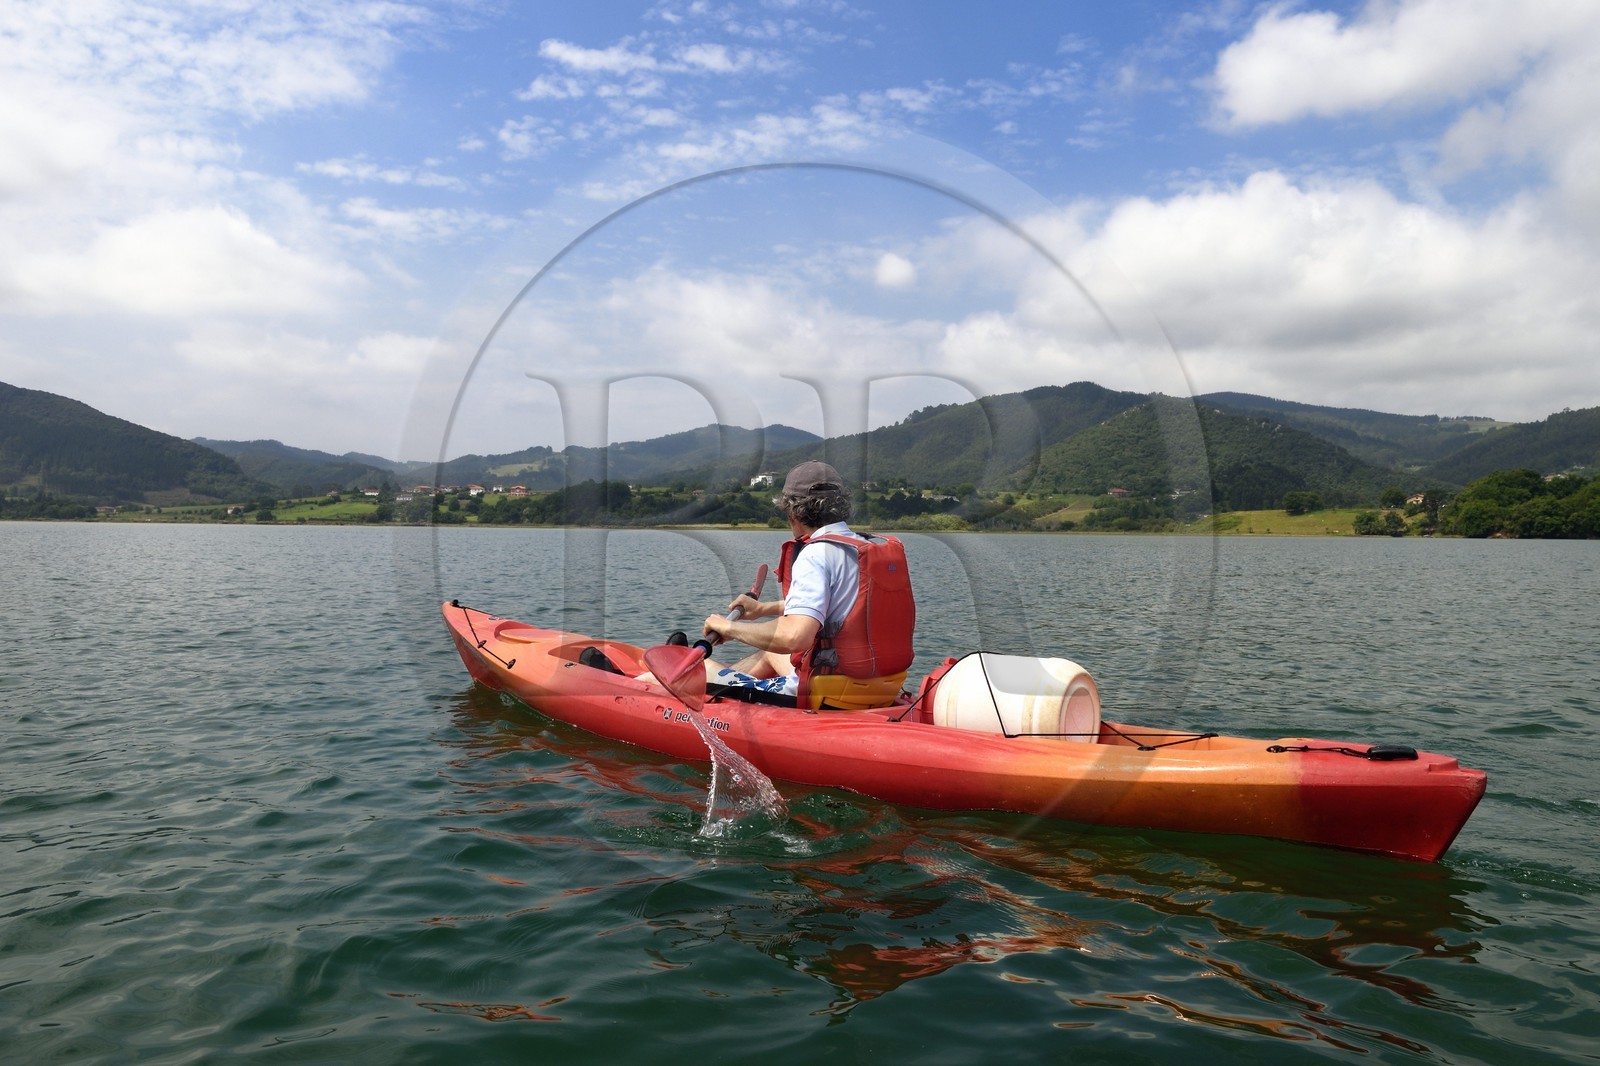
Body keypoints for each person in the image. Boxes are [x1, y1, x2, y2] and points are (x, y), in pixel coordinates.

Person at [701, 460, 916, 709]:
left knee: (701, 666)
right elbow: (839, 606)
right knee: (771, 651)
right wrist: (763, 609)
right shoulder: (862, 547)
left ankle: (717, 686)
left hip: (826, 696)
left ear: (793, 512)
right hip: (881, 688)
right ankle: (734, 684)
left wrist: (727, 627)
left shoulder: (815, 554)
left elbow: (795, 637)